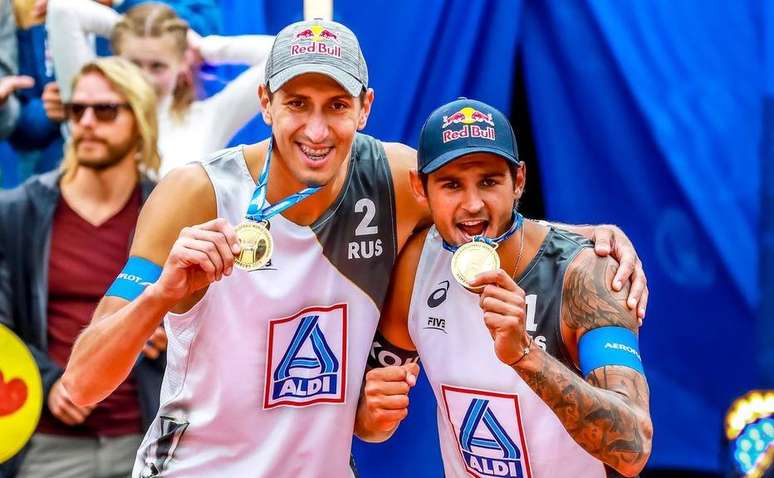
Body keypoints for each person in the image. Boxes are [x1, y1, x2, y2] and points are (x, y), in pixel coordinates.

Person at [60, 20, 649, 477]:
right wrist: (160, 298)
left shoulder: (395, 181)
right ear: (265, 103)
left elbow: (479, 203)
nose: (317, 131)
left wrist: (590, 240)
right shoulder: (197, 194)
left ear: (365, 106)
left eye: (336, 106)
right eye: (297, 104)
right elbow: (82, 384)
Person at [355, 98, 653, 477]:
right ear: (420, 188)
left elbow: (634, 448)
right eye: (451, 185)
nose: (473, 204)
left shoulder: (585, 275)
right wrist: (372, 415)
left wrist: (526, 355)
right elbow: (367, 420)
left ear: (519, 181)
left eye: (489, 181)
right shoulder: (416, 267)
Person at [0, 57, 166, 478]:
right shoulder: (20, 211)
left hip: (146, 437)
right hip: (47, 443)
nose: (87, 122)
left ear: (140, 119)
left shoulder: (168, 209)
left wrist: (172, 328)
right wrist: (50, 381)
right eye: (77, 110)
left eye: (106, 110)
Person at [46, 0, 273, 175]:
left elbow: (282, 53)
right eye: (133, 64)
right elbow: (62, 9)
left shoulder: (208, 117)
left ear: (182, 65)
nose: (144, 78)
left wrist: (207, 48)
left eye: (157, 66)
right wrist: (132, 30)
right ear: (116, 60)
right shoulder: (93, 112)